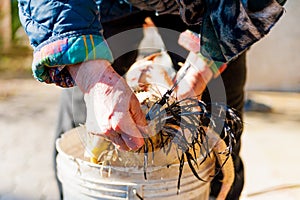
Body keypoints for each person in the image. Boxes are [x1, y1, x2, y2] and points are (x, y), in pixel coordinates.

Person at [18, 0, 286, 199]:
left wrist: (211, 55)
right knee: (83, 119)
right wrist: (93, 76)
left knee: (221, 120)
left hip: (208, 7)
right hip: (99, 6)